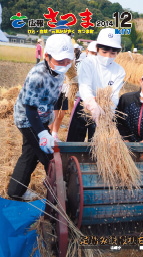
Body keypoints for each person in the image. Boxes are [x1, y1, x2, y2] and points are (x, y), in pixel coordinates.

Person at [8, 34, 74, 201]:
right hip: (27, 119)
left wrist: (50, 115)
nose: (65, 65)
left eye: (68, 61)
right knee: (48, 156)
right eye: (60, 61)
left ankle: (15, 191)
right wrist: (43, 134)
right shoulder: (38, 75)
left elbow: (54, 94)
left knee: (30, 154)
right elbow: (30, 109)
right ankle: (59, 197)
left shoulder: (58, 70)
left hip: (42, 116)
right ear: (46, 56)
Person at [67, 28, 126, 142]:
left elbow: (114, 96)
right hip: (85, 104)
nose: (108, 56)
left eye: (113, 53)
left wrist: (108, 113)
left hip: (105, 110)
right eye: (104, 52)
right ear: (97, 49)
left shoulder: (119, 71)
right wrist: (92, 104)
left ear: (117, 53)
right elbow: (84, 86)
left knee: (96, 144)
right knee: (74, 141)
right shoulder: (88, 63)